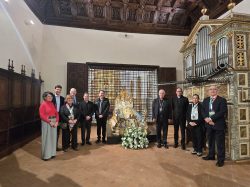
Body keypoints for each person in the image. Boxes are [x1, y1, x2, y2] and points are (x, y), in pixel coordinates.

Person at [202, 85, 227, 167]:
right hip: (209, 125)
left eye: (214, 89)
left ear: (217, 91)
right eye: (211, 89)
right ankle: (211, 155)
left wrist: (211, 119)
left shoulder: (222, 100)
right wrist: (206, 118)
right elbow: (203, 110)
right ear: (208, 91)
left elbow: (222, 111)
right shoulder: (206, 100)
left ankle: (220, 160)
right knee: (210, 141)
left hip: (218, 124)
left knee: (220, 143)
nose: (212, 90)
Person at [39, 91, 59, 161]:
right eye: (49, 96)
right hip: (46, 122)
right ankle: (46, 155)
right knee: (47, 139)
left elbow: (56, 113)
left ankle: (52, 153)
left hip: (53, 122)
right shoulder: (43, 104)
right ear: (45, 97)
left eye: (51, 96)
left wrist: (56, 121)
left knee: (53, 138)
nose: (50, 98)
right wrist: (49, 122)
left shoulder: (52, 104)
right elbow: (41, 115)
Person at [52, 85, 65, 151]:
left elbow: (63, 108)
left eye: (59, 90)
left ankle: (56, 147)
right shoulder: (51, 97)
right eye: (57, 89)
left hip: (60, 117)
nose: (58, 91)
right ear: (55, 89)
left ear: (61, 91)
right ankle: (52, 147)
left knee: (57, 132)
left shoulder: (62, 98)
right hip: (52, 118)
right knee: (52, 133)